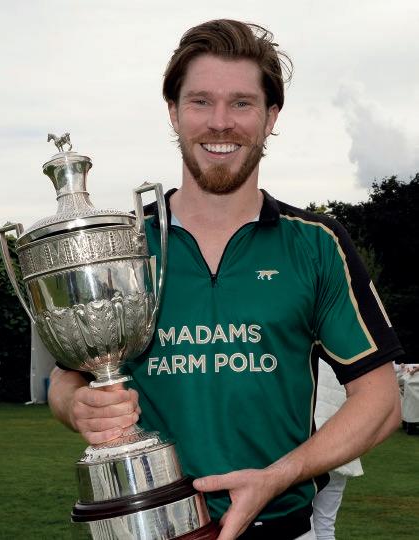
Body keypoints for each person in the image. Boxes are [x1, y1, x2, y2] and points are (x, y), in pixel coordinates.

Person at [48, 19, 403, 540]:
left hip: (283, 527)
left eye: (241, 103)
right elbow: (66, 377)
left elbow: (381, 400)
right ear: (173, 112)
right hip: (147, 528)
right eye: (200, 102)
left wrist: (277, 476)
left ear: (271, 116)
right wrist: (77, 406)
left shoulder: (316, 243)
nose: (220, 123)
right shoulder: (121, 245)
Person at [312, 359, 364, 539]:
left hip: (309, 448)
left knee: (305, 524)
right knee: (325, 525)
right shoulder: (348, 357)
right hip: (341, 446)